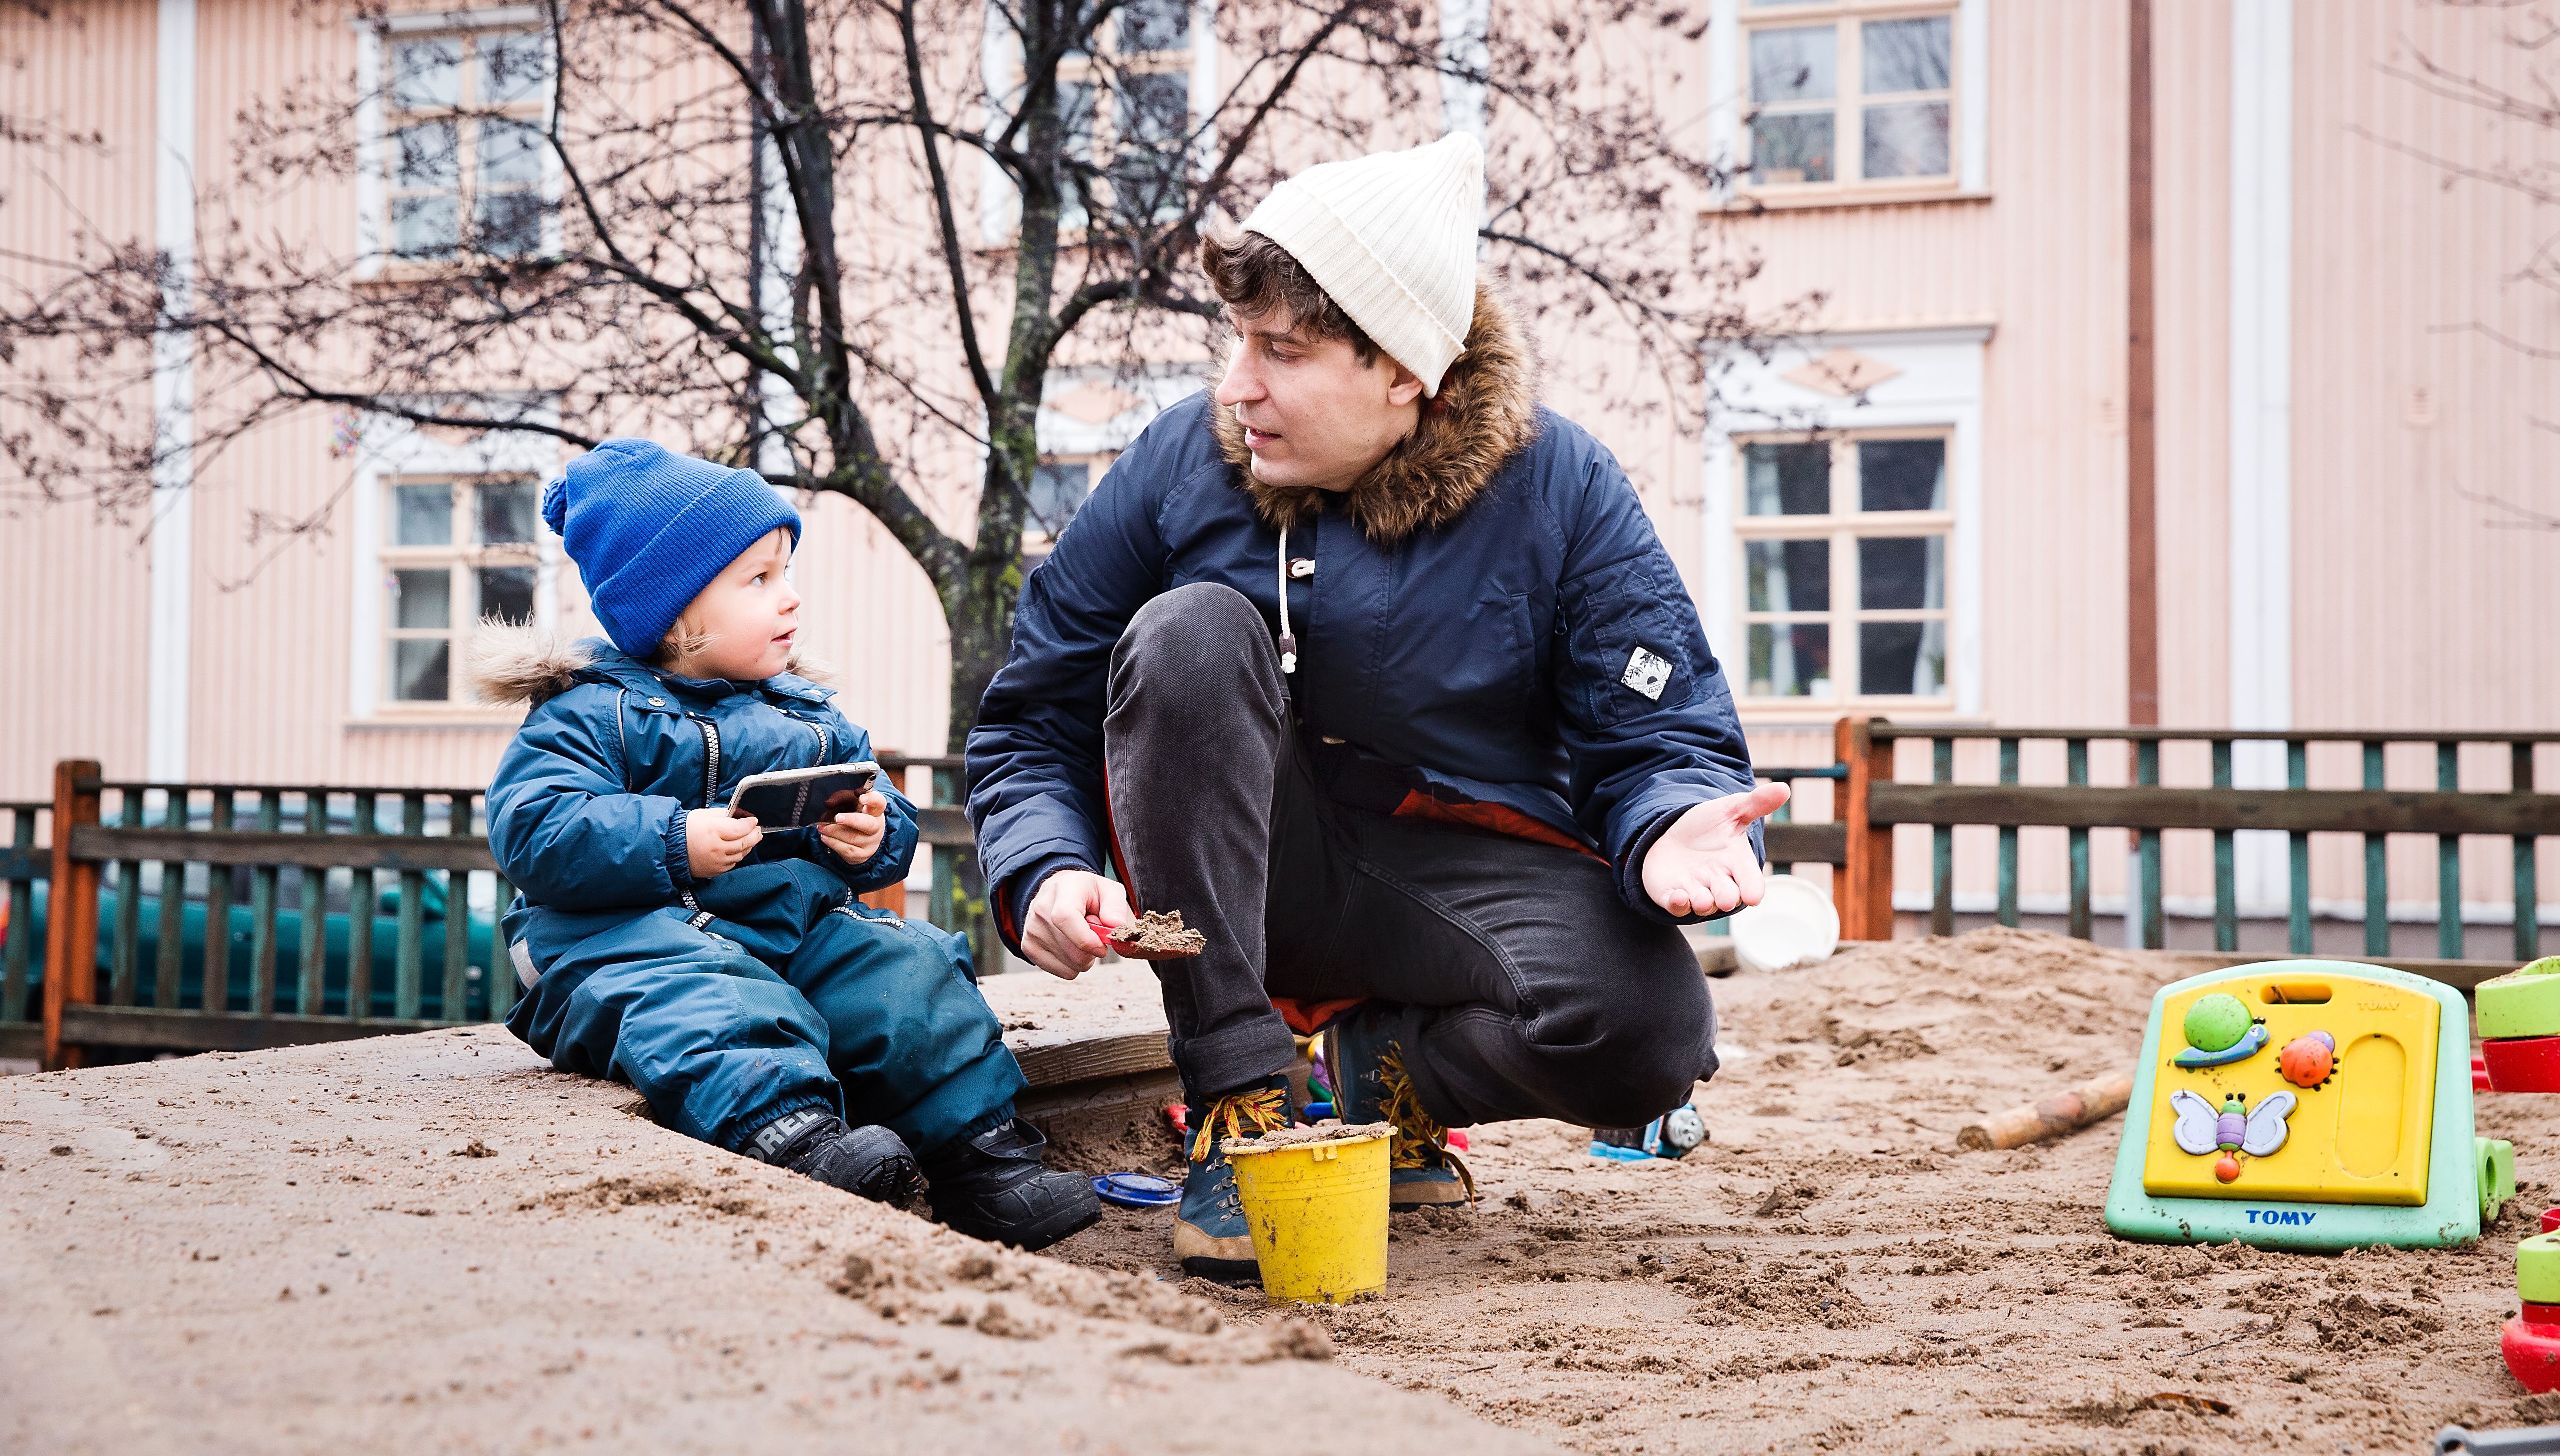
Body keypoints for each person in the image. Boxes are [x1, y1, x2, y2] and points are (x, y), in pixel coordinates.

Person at [966, 134, 1786, 1282]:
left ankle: (1364, 1079)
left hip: (1447, 875)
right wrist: (1042, 866)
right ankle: (1240, 1105)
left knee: (1653, 1029)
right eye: (1238, 342)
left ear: (1406, 369)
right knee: (1190, 631)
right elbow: (1032, 716)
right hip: (1241, 889)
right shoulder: (1176, 470)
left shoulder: (1559, 488)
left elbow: (1660, 725)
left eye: (1282, 351)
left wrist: (1673, 816)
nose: (1237, 385)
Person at [476, 438, 1099, 1251]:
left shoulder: (804, 714)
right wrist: (674, 839)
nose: (791, 599)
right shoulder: (591, 713)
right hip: (618, 948)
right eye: (759, 581)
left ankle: (983, 1161)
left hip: (781, 938)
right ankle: (793, 1139)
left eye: (788, 574)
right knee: (705, 989)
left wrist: (869, 836)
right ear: (675, 610)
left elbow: (880, 803)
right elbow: (533, 826)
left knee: (904, 966)